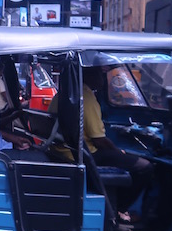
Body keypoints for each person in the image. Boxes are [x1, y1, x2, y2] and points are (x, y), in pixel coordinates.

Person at [50, 66, 154, 221]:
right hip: (85, 154)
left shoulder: (63, 94)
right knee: (145, 167)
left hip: (64, 150)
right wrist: (118, 152)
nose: (104, 79)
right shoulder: (86, 97)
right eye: (100, 74)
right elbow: (99, 140)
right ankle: (120, 210)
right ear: (90, 75)